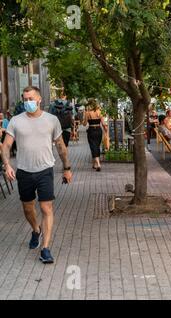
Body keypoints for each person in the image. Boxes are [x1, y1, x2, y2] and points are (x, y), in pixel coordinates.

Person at [0, 86, 73, 264]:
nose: (28, 102)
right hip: (24, 171)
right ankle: (35, 230)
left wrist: (67, 167)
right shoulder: (16, 121)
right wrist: (7, 165)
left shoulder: (51, 120)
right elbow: (6, 146)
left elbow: (61, 146)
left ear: (39, 99)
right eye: (25, 100)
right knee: (27, 209)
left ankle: (45, 248)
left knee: (46, 208)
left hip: (45, 171)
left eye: (31, 99)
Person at [83, 99, 107, 171]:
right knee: (97, 146)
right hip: (99, 130)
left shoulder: (88, 113)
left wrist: (82, 120)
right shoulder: (100, 112)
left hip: (91, 131)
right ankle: (94, 164)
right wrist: (106, 130)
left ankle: (98, 164)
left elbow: (84, 124)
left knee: (93, 147)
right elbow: (103, 124)